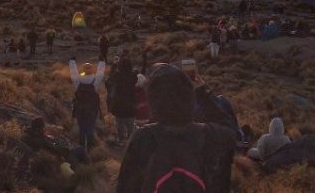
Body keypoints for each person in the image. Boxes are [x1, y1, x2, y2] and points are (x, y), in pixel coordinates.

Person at [117, 64, 236, 193]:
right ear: (190, 97)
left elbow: (125, 188)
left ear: (153, 103)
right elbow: (229, 128)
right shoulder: (213, 137)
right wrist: (202, 91)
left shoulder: (143, 139)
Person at [69, 57, 106, 150]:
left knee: (82, 127)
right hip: (92, 108)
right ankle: (90, 147)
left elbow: (73, 72)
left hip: (79, 108)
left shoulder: (77, 80)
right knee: (90, 126)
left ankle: (82, 146)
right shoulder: (95, 81)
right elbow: (101, 73)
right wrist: (102, 62)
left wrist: (72, 61)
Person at [106, 58, 138, 144]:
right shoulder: (133, 76)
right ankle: (131, 141)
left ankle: (121, 140)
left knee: (119, 122)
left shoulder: (117, 75)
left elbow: (109, 81)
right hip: (130, 102)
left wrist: (114, 66)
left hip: (119, 102)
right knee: (130, 123)